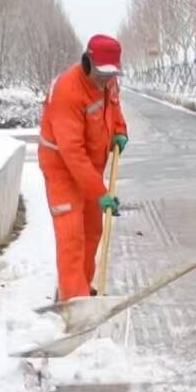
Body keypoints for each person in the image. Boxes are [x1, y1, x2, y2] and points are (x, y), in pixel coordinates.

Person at [38, 34, 129, 302]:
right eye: (101, 73)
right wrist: (100, 192)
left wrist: (120, 131)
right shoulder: (68, 91)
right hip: (62, 168)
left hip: (90, 167)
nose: (106, 80)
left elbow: (115, 108)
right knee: (71, 235)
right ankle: (72, 300)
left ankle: (83, 286)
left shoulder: (109, 81)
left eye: (111, 74)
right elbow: (72, 153)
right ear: (88, 61)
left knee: (92, 229)